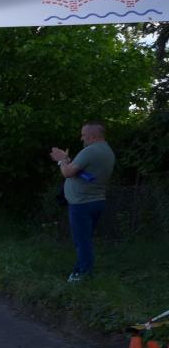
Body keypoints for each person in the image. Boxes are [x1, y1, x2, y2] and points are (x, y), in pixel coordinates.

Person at [50, 121, 115, 282]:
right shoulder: (107, 151)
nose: (81, 138)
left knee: (82, 241)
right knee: (85, 239)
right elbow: (82, 171)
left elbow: (67, 172)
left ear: (93, 136)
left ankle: (83, 274)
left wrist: (61, 160)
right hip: (96, 200)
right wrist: (67, 159)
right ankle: (81, 270)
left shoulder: (90, 151)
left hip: (82, 203)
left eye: (83, 135)